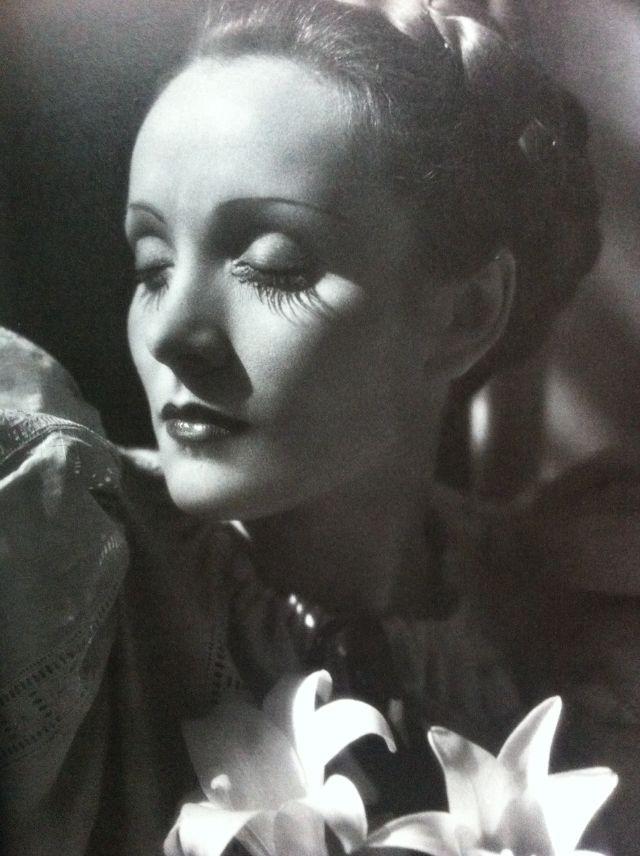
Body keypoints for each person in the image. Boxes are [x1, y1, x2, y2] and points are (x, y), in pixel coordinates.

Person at [1, 0, 639, 853]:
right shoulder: (62, 589)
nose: (171, 333)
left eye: (274, 265)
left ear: (466, 315)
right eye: (153, 268)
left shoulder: (564, 629)